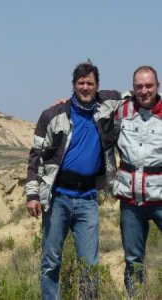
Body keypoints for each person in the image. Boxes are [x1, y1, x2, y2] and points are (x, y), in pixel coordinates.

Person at [25, 61, 120, 299]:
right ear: (73, 86)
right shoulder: (53, 115)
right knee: (50, 261)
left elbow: (141, 93)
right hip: (58, 197)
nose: (86, 88)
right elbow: (35, 157)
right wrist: (32, 194)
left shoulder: (106, 108)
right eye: (81, 83)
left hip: (88, 199)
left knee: (89, 263)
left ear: (97, 86)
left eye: (90, 83)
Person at [113, 66, 162, 297]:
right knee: (133, 261)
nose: (144, 91)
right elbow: (93, 99)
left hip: (160, 198)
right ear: (133, 89)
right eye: (139, 86)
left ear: (157, 86)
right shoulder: (122, 111)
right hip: (130, 203)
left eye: (149, 86)